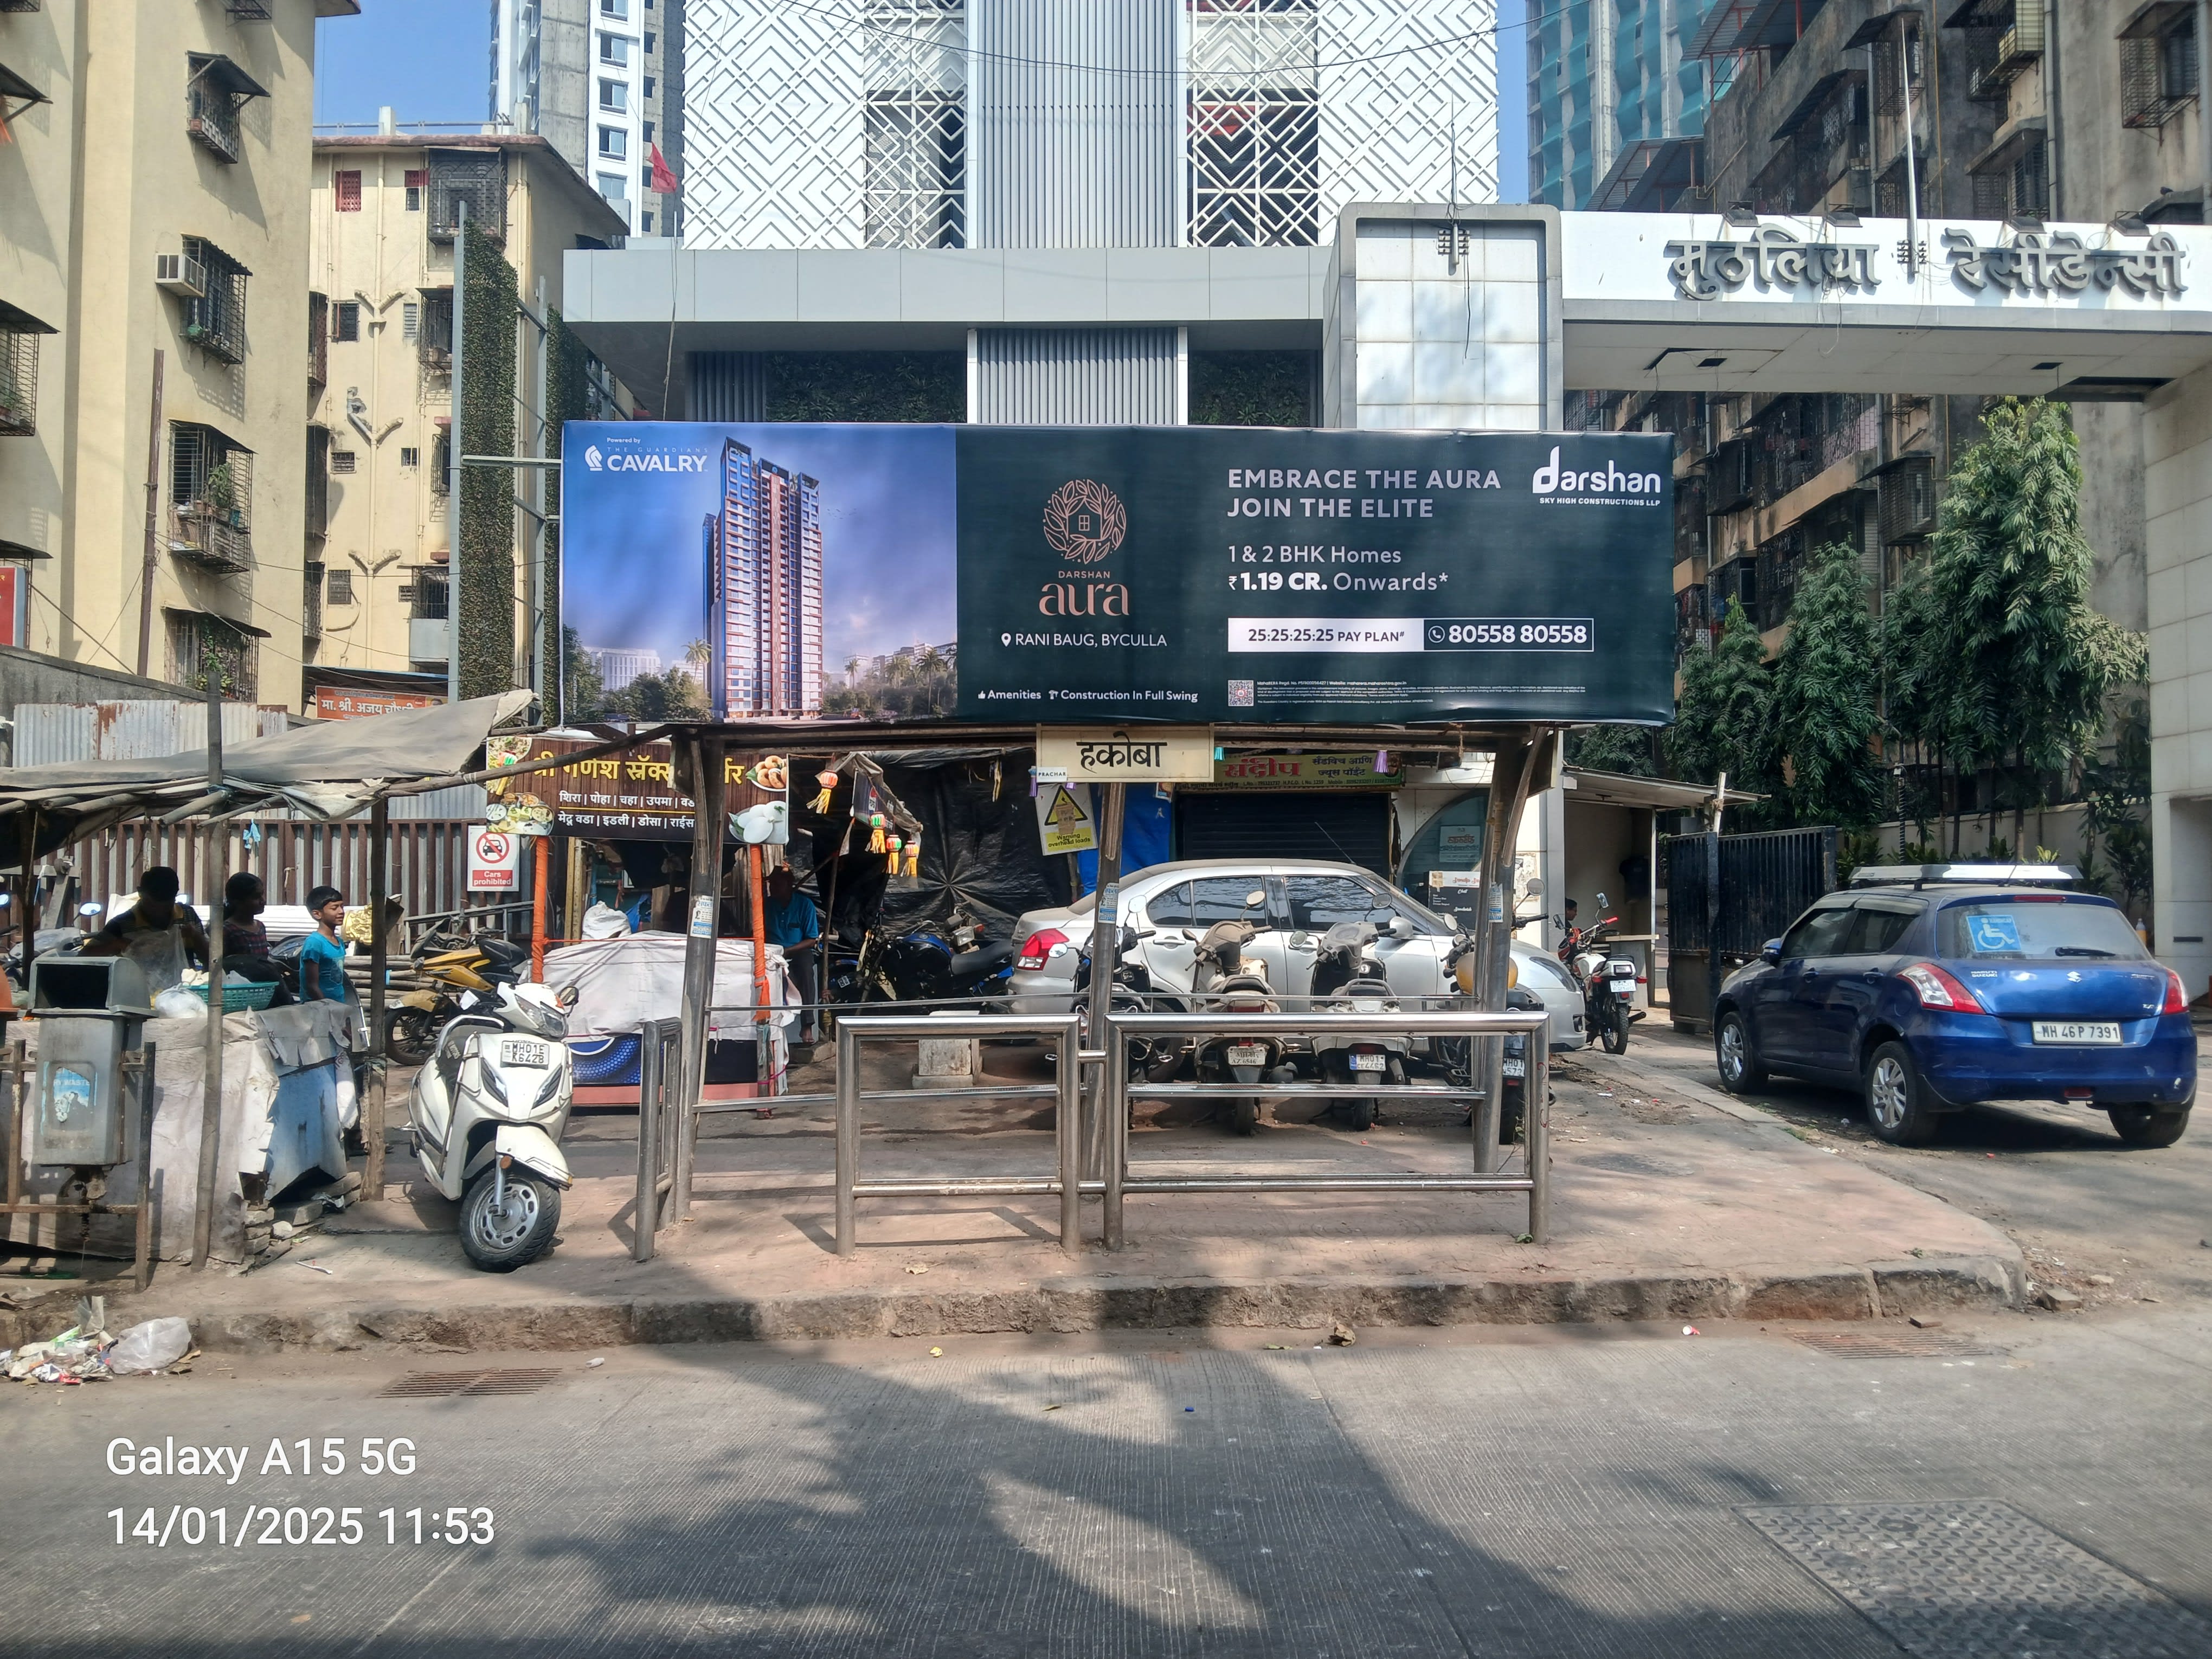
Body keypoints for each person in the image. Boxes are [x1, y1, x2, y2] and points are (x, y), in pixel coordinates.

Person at [80, 865, 208, 992]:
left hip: (183, 994)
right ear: (140, 893)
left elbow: (211, 959)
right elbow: (83, 957)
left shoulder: (187, 915)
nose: (160, 912)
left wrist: (195, 936)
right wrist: (117, 945)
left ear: (175, 894)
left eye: (167, 906)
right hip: (138, 995)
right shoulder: (122, 924)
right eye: (153, 906)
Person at [762, 863, 821, 1045]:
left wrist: (788, 951)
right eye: (771, 884)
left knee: (806, 972)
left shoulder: (805, 905)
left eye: (777, 884)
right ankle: (766, 1024)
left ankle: (807, 1025)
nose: (773, 888)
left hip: (798, 951)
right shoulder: (766, 905)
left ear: (789, 885)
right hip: (772, 952)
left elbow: (811, 939)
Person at [300, 885, 350, 1004]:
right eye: (334, 908)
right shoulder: (315, 943)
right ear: (317, 914)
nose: (341, 912)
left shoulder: (339, 942)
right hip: (318, 1008)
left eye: (342, 906)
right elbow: (312, 986)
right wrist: (327, 1006)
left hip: (338, 1005)